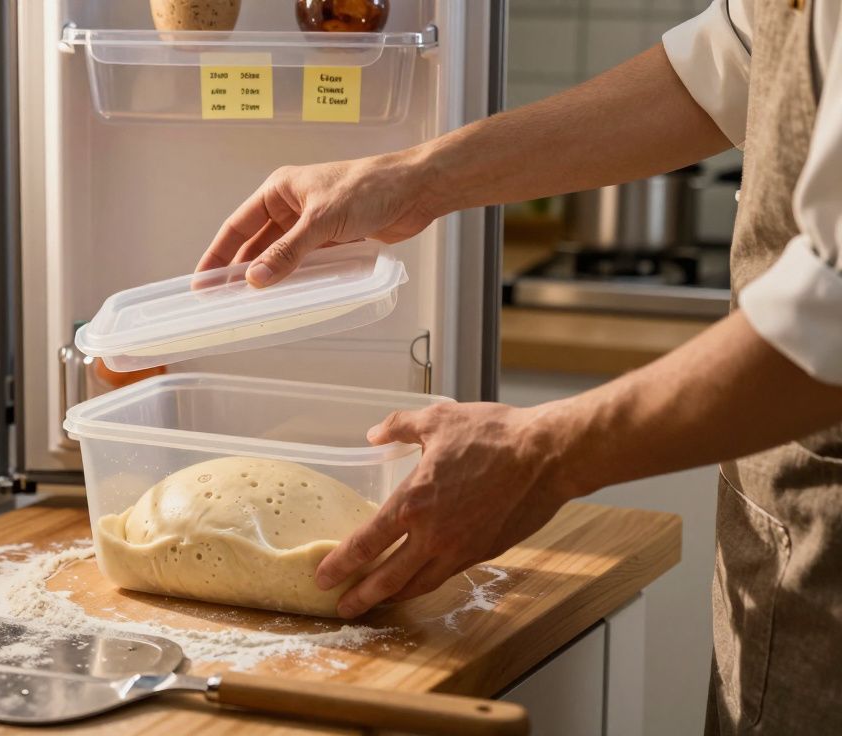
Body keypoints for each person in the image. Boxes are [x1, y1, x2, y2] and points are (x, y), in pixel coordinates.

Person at [199, 1, 842, 733]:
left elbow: (832, 317)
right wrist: (413, 177)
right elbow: (722, 68)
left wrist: (540, 453)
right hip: (785, 540)